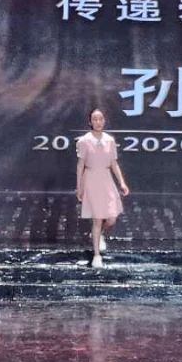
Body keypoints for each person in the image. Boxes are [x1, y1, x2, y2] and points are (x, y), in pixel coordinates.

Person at [75, 108, 129, 268]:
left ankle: (99, 235)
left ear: (104, 121)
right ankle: (97, 256)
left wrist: (122, 182)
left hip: (106, 179)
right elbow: (80, 165)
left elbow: (113, 163)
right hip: (91, 180)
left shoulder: (109, 140)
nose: (98, 122)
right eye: (95, 119)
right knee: (97, 218)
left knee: (111, 218)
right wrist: (79, 187)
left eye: (100, 119)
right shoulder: (84, 141)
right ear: (90, 122)